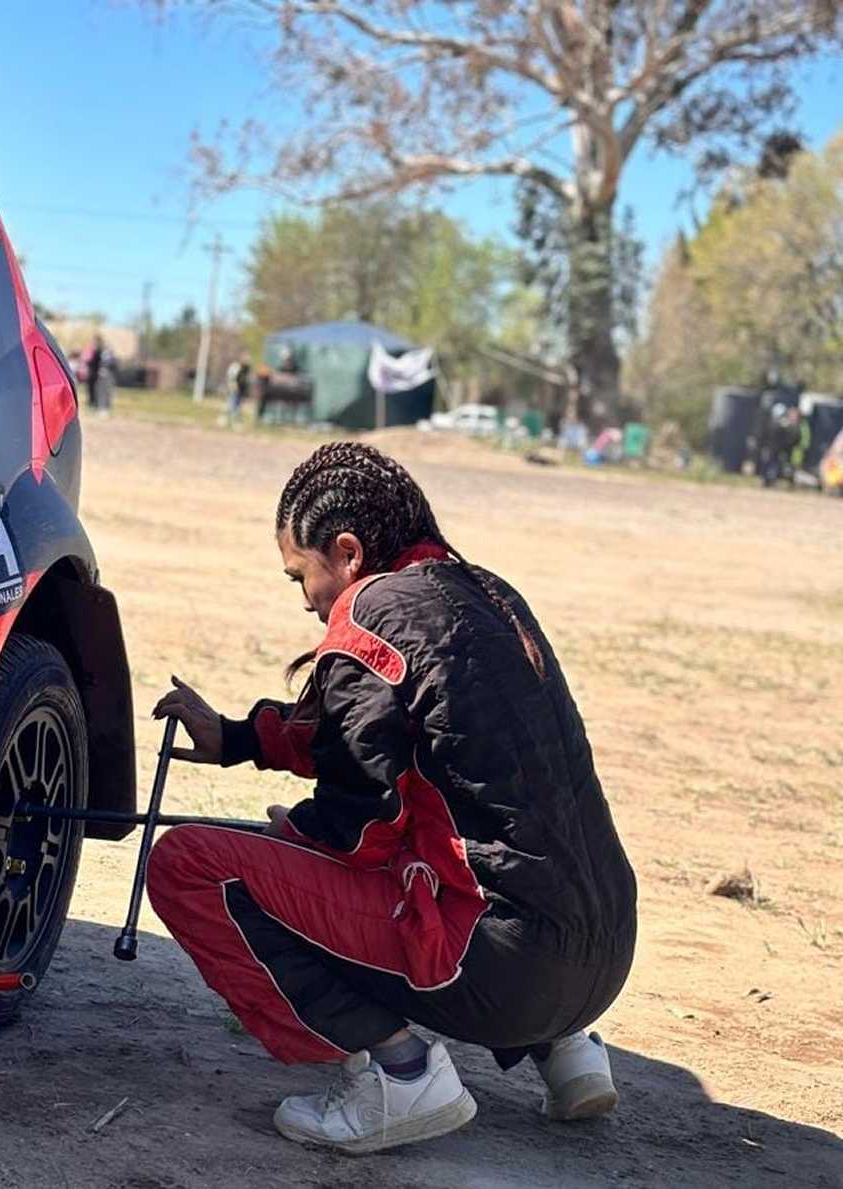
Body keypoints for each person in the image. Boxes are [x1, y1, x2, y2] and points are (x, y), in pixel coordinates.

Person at [148, 442, 637, 1155]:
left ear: (347, 552)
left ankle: (399, 1072)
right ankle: (567, 1051)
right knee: (479, 839)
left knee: (191, 866)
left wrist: (297, 841)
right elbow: (375, 740)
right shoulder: (486, 594)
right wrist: (235, 737)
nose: (309, 603)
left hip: (508, 968)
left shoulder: (369, 621)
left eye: (301, 577)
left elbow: (358, 830)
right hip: (603, 955)